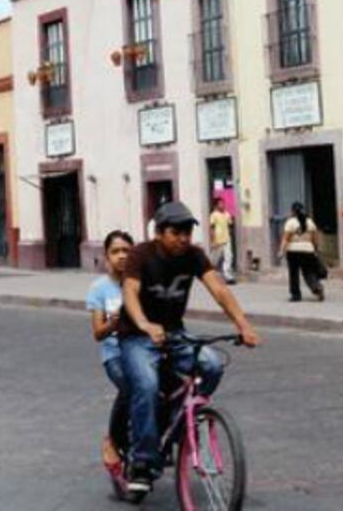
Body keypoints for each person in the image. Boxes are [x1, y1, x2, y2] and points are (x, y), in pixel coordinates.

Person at [120, 201, 259, 492]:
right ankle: (143, 461)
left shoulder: (193, 256)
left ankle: (179, 422)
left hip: (174, 334)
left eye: (187, 232)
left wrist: (243, 325)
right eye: (176, 232)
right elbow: (130, 293)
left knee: (211, 365)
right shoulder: (140, 255)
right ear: (159, 232)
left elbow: (219, 289)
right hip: (137, 335)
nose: (183, 238)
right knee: (145, 384)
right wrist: (145, 325)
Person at [85, 230, 134, 482]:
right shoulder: (99, 289)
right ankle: (113, 442)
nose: (122, 256)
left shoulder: (139, 283)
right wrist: (114, 323)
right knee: (128, 388)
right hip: (114, 353)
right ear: (106, 257)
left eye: (126, 250)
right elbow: (98, 333)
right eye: (116, 251)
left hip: (141, 350)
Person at [277, 202, 325, 302]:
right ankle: (316, 287)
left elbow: (286, 238)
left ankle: (296, 295)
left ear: (293, 211)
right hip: (308, 250)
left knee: (293, 273)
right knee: (308, 271)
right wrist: (316, 248)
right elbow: (314, 238)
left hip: (293, 251)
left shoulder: (290, 222)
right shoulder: (310, 222)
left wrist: (281, 250)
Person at [209, 197, 235, 283]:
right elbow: (212, 228)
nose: (222, 205)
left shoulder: (227, 214)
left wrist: (229, 233)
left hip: (226, 239)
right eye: (220, 203)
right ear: (216, 205)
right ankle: (211, 275)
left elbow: (230, 225)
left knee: (229, 257)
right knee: (216, 259)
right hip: (218, 240)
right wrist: (213, 240)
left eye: (223, 203)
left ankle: (228, 276)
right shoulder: (214, 215)